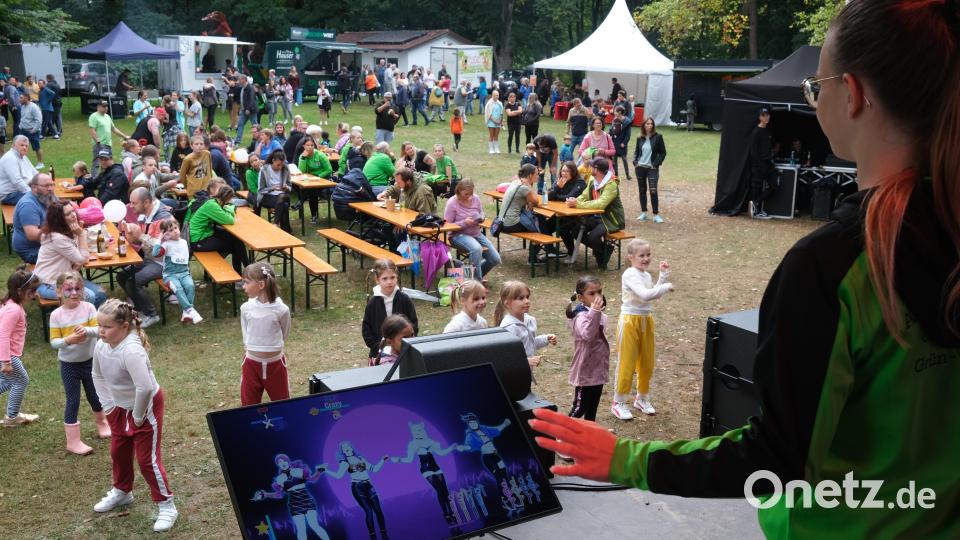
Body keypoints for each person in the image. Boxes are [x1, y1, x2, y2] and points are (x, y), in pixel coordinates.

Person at [533, 5, 960, 535]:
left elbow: (779, 456)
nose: (814, 97)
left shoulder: (831, 269)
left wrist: (626, 459)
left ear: (851, 94)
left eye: (816, 85)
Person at [91, 299, 177, 532]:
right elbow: (96, 375)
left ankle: (167, 505)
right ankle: (122, 491)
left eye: (107, 327)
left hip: (145, 407)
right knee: (118, 452)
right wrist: (108, 405)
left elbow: (145, 387)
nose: (101, 331)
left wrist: (138, 416)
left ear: (125, 326)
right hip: (118, 407)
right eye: (99, 326)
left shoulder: (131, 350)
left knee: (147, 460)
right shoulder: (101, 345)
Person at [48, 271, 112, 454]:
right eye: (69, 289)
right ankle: (73, 441)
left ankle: (102, 424)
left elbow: (98, 330)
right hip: (69, 365)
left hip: (91, 362)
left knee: (95, 395)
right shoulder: (56, 315)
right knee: (73, 400)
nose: (74, 293)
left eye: (78, 288)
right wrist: (69, 340)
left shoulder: (89, 308)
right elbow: (54, 342)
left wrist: (85, 331)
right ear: (59, 291)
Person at [609, 239, 673, 420]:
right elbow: (645, 295)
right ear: (631, 257)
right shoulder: (630, 274)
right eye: (641, 255)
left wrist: (662, 277)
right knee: (627, 362)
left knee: (647, 361)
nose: (646, 258)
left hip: (646, 319)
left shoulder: (645, 275)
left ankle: (642, 398)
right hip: (630, 321)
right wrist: (666, 286)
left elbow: (652, 295)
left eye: (648, 255)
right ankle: (618, 402)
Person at [33, 200, 107, 306]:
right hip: (50, 284)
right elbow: (83, 258)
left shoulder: (68, 231)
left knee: (100, 294)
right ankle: (73, 315)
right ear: (59, 219)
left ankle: (85, 313)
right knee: (90, 296)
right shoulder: (57, 238)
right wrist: (81, 234)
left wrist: (77, 264)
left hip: (67, 278)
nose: (73, 215)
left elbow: (81, 256)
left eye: (73, 211)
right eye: (68, 214)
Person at [118, 187, 172, 329]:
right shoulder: (143, 215)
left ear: (146, 202)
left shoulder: (164, 219)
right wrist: (131, 235)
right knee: (121, 276)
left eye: (134, 203)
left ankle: (151, 315)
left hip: (164, 262)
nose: (131, 206)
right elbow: (142, 243)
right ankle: (139, 306)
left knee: (133, 282)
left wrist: (140, 236)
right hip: (150, 259)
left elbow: (161, 248)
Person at [239, 262, 291, 405]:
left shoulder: (282, 309)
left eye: (246, 282)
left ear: (261, 285)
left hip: (276, 365)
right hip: (251, 365)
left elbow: (285, 333)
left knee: (283, 404)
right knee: (249, 405)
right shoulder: (246, 308)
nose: (243, 286)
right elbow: (245, 330)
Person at [566, 158, 625, 269]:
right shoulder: (593, 180)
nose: (589, 168)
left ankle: (601, 259)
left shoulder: (611, 184)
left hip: (610, 220)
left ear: (596, 169)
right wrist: (574, 200)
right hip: (596, 217)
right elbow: (584, 195)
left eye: (591, 166)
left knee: (593, 237)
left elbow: (600, 204)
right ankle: (604, 252)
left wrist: (577, 205)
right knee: (575, 231)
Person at [0, 266, 40, 427]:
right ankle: (12, 417)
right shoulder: (14, 310)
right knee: (21, 380)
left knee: (7, 381)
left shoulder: (10, 304)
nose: (34, 295)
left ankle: (12, 416)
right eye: (31, 291)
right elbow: (3, 335)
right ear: (19, 291)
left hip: (6, 354)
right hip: (7, 354)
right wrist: (6, 361)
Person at [565, 276, 609, 422]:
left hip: (597, 369)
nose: (597, 296)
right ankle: (563, 431)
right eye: (592, 293)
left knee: (592, 406)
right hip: (585, 370)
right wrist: (595, 312)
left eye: (599, 292)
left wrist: (596, 312)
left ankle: (589, 432)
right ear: (580, 297)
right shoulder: (581, 316)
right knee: (580, 407)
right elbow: (588, 335)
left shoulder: (594, 311)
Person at [361, 259, 419, 361]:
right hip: (379, 353)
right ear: (377, 280)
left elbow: (413, 324)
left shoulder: (404, 299)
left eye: (392, 277)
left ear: (397, 277)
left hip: (403, 351)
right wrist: (377, 348)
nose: (389, 282)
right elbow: (366, 329)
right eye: (385, 278)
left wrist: (406, 344)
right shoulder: (373, 303)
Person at [444, 180, 501, 282]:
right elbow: (447, 225)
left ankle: (465, 274)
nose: (469, 196)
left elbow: (481, 212)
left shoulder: (475, 198)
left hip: (475, 233)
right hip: (457, 235)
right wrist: (464, 222)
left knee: (495, 259)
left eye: (471, 194)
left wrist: (481, 217)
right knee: (476, 249)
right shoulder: (452, 203)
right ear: (459, 191)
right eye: (466, 194)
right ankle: (476, 282)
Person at [494, 280, 556, 369]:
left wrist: (546, 339)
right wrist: (526, 361)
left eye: (527, 297)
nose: (527, 301)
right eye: (521, 298)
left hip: (526, 372)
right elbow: (505, 358)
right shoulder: (509, 328)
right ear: (507, 304)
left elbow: (530, 344)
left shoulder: (529, 320)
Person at [151, 218, 201, 324]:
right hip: (170, 275)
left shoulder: (184, 242)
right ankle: (190, 310)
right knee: (177, 288)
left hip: (184, 273)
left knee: (190, 286)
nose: (175, 231)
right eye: (171, 230)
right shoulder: (166, 244)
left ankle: (186, 312)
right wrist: (160, 237)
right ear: (166, 234)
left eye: (175, 228)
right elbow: (155, 253)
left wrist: (187, 273)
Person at [12, 172, 54, 263]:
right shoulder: (28, 205)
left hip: (45, 244)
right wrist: (60, 237)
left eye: (52, 185)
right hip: (32, 250)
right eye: (46, 186)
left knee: (73, 249)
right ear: (34, 187)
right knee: (67, 255)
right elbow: (33, 235)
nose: (50, 189)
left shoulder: (47, 197)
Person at [550, 162, 588, 257]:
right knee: (545, 226)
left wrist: (556, 196)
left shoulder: (580, 182)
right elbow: (549, 196)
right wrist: (557, 187)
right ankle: (550, 250)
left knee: (562, 229)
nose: (564, 173)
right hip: (561, 213)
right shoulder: (560, 180)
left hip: (575, 216)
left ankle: (572, 251)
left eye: (567, 171)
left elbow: (569, 197)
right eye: (563, 171)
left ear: (573, 172)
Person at [633, 117, 667, 222]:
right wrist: (635, 162)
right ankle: (644, 213)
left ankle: (656, 215)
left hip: (652, 169)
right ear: (644, 125)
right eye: (647, 124)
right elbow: (636, 152)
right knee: (642, 190)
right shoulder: (640, 138)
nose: (650, 125)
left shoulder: (658, 137)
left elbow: (663, 153)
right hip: (640, 168)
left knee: (653, 191)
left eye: (651, 124)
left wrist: (655, 164)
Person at [749, 106, 775, 219]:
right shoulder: (756, 132)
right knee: (757, 188)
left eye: (767, 115)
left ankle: (756, 202)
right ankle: (757, 211)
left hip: (769, 164)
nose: (766, 117)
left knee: (774, 185)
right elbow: (753, 152)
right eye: (763, 115)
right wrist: (759, 165)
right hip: (759, 165)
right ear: (760, 117)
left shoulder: (768, 130)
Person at [257, 149, 292, 233]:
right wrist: (272, 188)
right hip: (268, 196)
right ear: (273, 160)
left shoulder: (285, 168)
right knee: (284, 205)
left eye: (282, 165)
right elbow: (260, 189)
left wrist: (286, 187)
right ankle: (286, 230)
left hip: (283, 195)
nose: (280, 167)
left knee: (282, 196)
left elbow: (290, 186)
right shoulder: (264, 170)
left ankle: (276, 224)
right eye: (278, 165)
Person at [0, 135, 37, 204]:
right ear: (13, 145)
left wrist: (44, 181)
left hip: (21, 190)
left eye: (26, 146)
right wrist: (32, 193)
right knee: (41, 197)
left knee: (45, 191)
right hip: (9, 195)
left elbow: (35, 173)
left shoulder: (23, 157)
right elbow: (17, 181)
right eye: (22, 145)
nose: (24, 147)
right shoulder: (10, 158)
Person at [17, 93, 43, 169]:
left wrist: (34, 130)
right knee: (22, 147)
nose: (19, 99)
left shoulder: (34, 107)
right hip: (23, 131)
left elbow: (39, 120)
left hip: (32, 132)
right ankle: (23, 163)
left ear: (26, 98)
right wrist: (20, 127)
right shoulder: (22, 106)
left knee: (36, 148)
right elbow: (23, 118)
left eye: (21, 98)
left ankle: (40, 163)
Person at [235, 76, 259, 146]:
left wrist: (248, 109)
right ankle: (238, 141)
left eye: (240, 79)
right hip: (243, 110)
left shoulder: (250, 88)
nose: (239, 81)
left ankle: (258, 139)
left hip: (251, 110)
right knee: (240, 124)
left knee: (255, 126)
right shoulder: (242, 88)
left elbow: (251, 99)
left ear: (244, 80)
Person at [609, 107, 632, 181]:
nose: (614, 112)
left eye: (615, 111)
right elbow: (611, 129)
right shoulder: (614, 120)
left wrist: (624, 143)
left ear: (619, 112)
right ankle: (616, 175)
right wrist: (610, 134)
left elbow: (628, 134)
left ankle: (627, 175)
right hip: (614, 142)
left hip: (622, 142)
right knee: (614, 159)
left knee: (624, 159)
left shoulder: (627, 121)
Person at [484, 90, 504, 154]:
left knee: (496, 136)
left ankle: (496, 148)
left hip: (498, 122)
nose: (496, 96)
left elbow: (501, 113)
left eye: (497, 95)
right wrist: (494, 121)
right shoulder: (489, 103)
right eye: (495, 95)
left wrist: (501, 121)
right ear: (492, 95)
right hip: (491, 122)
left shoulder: (500, 103)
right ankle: (491, 149)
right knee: (491, 135)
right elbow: (488, 113)